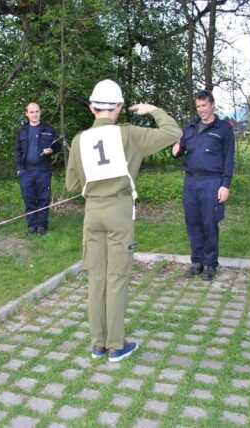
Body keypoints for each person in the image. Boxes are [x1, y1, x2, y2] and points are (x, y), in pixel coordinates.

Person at [66, 79, 182, 362]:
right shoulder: (129, 134)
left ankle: (97, 344)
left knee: (96, 278)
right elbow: (172, 132)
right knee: (116, 279)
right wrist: (154, 109)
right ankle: (116, 345)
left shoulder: (79, 139)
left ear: (92, 107)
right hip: (118, 211)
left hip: (92, 212)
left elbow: (71, 185)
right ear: (118, 107)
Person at [171, 90, 235, 281]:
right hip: (191, 181)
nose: (201, 110)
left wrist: (225, 185)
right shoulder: (190, 128)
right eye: (198, 106)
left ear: (212, 104)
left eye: (204, 105)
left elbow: (229, 159)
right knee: (193, 223)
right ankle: (197, 262)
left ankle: (210, 264)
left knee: (209, 223)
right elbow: (178, 152)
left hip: (212, 181)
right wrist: (175, 148)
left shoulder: (223, 128)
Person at [14, 102, 60, 235]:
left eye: (37, 111)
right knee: (29, 198)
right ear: (27, 114)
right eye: (32, 112)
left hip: (43, 169)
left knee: (43, 198)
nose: (35, 114)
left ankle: (41, 226)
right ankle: (31, 225)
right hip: (26, 170)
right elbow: (17, 150)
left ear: (40, 112)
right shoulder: (22, 131)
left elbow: (57, 146)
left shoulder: (48, 129)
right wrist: (19, 168)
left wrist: (51, 150)